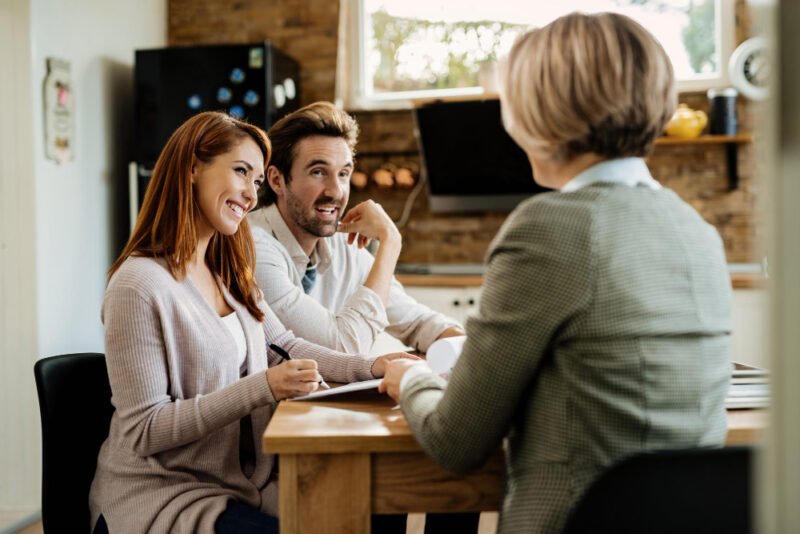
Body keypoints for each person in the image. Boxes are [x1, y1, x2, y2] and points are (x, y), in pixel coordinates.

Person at [379, 12, 733, 534]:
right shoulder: (697, 230)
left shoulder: (551, 226)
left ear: (539, 112)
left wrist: (412, 377)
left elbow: (456, 442)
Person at [88, 111, 414, 534]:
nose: (249, 192)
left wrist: (375, 367)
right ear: (191, 168)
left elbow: (286, 345)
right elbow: (145, 431)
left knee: (373, 502)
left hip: (238, 482)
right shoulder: (138, 285)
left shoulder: (228, 271)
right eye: (241, 171)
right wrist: (264, 387)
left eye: (257, 181)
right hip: (162, 495)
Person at [247, 102, 465, 355]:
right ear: (276, 180)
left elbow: (417, 323)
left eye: (343, 174)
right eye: (318, 172)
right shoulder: (253, 247)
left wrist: (467, 346)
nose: (336, 191)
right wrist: (391, 242)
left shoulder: (341, 243)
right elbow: (343, 346)